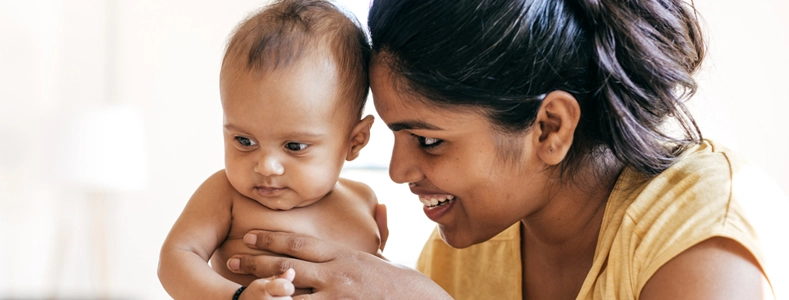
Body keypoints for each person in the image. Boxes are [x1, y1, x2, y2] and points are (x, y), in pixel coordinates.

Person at [222, 0, 789, 299]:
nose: (398, 171)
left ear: (549, 128)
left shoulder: (696, 233)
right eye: (395, 135)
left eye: (428, 140)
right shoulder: (460, 251)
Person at [155, 0, 386, 299]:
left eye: (294, 146)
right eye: (244, 141)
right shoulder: (225, 195)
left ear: (354, 141)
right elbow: (176, 257)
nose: (266, 166)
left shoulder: (364, 201)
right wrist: (237, 296)